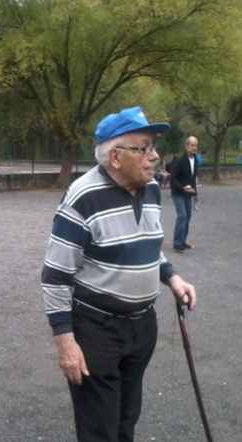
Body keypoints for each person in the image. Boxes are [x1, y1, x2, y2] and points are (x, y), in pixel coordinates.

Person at [41, 106, 198, 442]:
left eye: (153, 146)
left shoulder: (152, 188)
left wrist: (173, 278)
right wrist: (66, 344)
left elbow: (147, 246)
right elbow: (55, 277)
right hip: (96, 331)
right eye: (143, 148)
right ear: (115, 157)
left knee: (127, 419)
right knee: (100, 429)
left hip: (142, 327)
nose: (154, 156)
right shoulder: (82, 197)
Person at [169, 136, 200, 253]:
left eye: (196, 145)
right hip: (178, 192)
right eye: (192, 145)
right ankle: (177, 243)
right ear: (187, 146)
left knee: (188, 217)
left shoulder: (196, 160)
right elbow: (172, 178)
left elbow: (193, 178)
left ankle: (182, 240)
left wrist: (195, 194)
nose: (194, 148)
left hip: (188, 193)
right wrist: (182, 188)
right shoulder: (180, 160)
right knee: (182, 216)